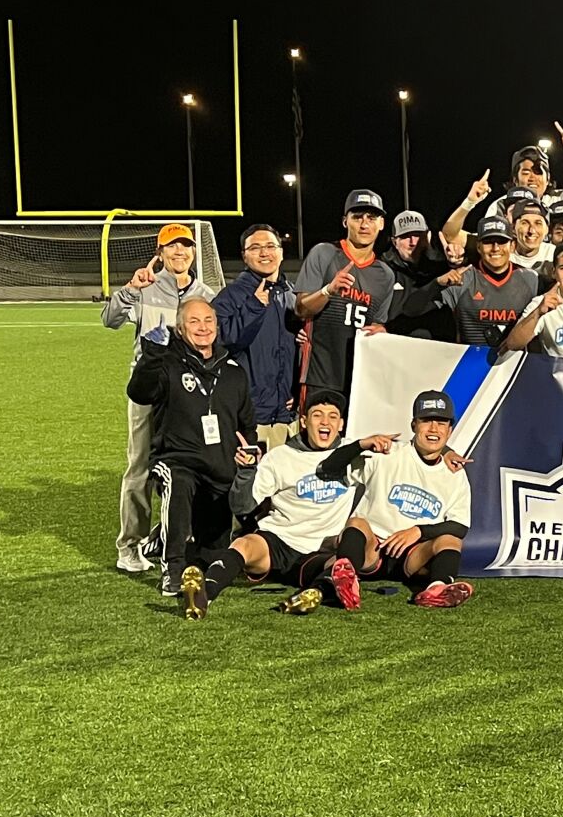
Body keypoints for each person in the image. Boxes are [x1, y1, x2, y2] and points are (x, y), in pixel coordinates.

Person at [180, 389, 371, 619]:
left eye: (332, 416)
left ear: (340, 424)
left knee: (340, 564)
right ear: (303, 421)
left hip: (318, 550)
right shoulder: (280, 456)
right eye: (317, 414)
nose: (325, 422)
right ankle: (204, 594)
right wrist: (246, 471)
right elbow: (242, 506)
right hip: (278, 542)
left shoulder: (355, 456)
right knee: (245, 544)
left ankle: (316, 592)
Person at [101, 221, 216, 573]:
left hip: (190, 394)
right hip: (149, 391)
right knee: (140, 467)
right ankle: (129, 546)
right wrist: (131, 290)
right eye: (172, 246)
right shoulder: (146, 289)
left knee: (187, 467)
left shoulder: (207, 293)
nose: (179, 252)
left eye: (185, 246)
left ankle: (176, 537)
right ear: (160, 252)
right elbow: (109, 319)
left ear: (194, 252)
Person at [125, 297, 255, 597]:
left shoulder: (234, 372)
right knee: (179, 484)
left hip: (220, 469)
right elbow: (139, 393)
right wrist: (151, 355)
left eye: (208, 321)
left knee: (210, 556)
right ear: (180, 329)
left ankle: (160, 540)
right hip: (176, 460)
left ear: (217, 326)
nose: (203, 327)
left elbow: (247, 424)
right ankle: (171, 569)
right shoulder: (166, 363)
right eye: (194, 322)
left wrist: (249, 452)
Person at [317, 391, 475, 608]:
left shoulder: (454, 473)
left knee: (450, 540)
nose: (433, 429)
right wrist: (361, 444)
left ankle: (436, 589)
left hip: (412, 555)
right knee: (357, 523)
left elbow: (460, 526)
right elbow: (329, 469)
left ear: (450, 430)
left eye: (441, 422)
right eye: (426, 421)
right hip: (372, 550)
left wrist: (418, 531)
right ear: (414, 425)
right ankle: (346, 579)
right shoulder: (388, 455)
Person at [295, 189, 395, 401]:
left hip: (360, 379)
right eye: (357, 217)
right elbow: (301, 309)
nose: (364, 224)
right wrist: (328, 291)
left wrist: (381, 330)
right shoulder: (324, 253)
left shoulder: (385, 275)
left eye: (372, 217)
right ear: (345, 222)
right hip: (319, 374)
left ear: (382, 224)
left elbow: (378, 324)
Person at [214, 223, 301, 450]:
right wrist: (253, 308)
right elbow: (219, 343)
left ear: (281, 252)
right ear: (244, 256)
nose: (264, 253)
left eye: (271, 246)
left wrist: (299, 391)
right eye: (255, 248)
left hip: (287, 415)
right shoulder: (230, 297)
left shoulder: (293, 296)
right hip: (250, 417)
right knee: (248, 483)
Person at [434, 216, 543, 347]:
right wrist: (437, 283)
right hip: (469, 362)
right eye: (488, 242)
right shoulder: (462, 278)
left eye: (501, 241)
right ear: (478, 247)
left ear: (513, 246)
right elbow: (412, 309)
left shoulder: (532, 279)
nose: (495, 248)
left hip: (517, 364)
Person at [382, 210, 462, 342]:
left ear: (428, 236)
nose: (413, 242)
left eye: (418, 235)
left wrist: (455, 265)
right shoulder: (383, 269)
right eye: (405, 236)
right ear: (394, 241)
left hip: (439, 348)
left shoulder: (441, 267)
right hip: (395, 347)